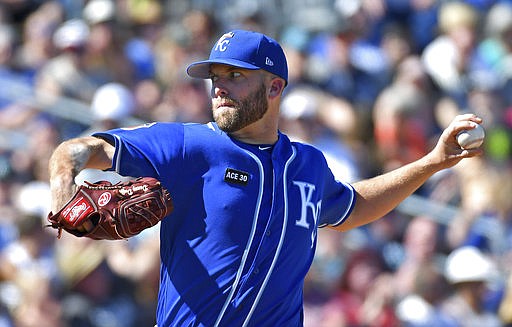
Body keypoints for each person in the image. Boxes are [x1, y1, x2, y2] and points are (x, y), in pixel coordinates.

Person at [48, 30, 484, 327]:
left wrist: (431, 162)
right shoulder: (188, 145)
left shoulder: (308, 165)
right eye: (215, 77)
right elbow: (77, 150)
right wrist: (63, 191)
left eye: (235, 76)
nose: (219, 87)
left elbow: (352, 206)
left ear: (275, 88)